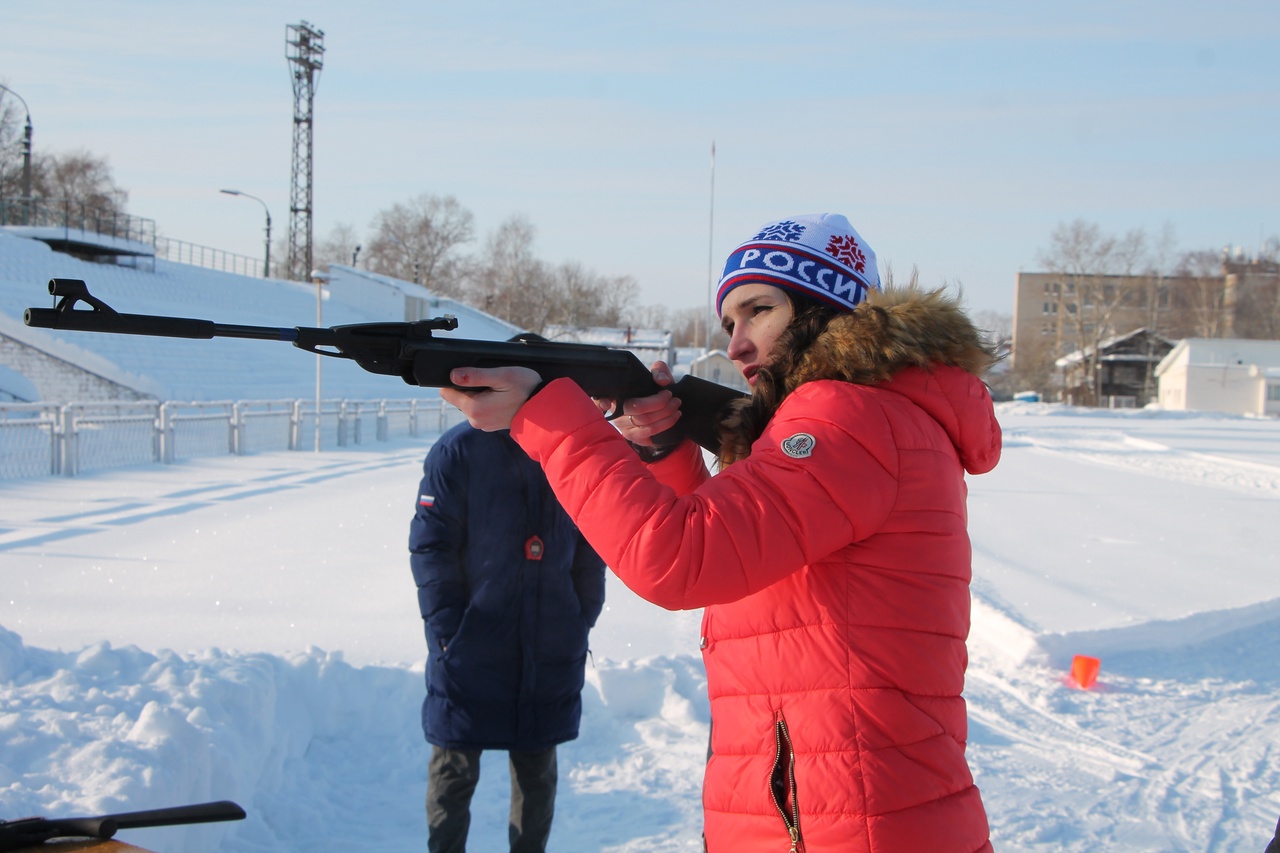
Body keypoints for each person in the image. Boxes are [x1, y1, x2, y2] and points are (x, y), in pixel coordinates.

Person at [440, 213, 1001, 852]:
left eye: (759, 310)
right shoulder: (878, 414)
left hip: (842, 822)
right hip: (844, 812)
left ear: (827, 311)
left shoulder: (849, 416)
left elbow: (679, 560)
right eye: (730, 321)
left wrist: (550, 419)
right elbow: (742, 560)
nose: (736, 344)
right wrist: (670, 447)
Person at [408, 421, 607, 853]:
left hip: (550, 639)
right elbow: (431, 545)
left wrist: (579, 615)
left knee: (537, 771)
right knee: (453, 767)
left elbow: (593, 540)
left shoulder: (568, 447)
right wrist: (448, 630)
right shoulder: (459, 450)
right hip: (469, 643)